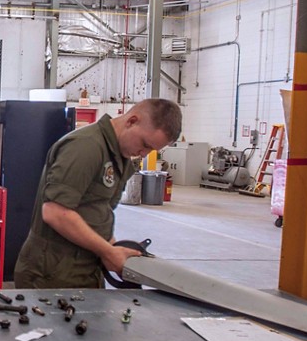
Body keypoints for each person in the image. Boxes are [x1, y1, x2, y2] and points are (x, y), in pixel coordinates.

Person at [14, 98, 182, 290]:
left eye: (152, 150)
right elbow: (55, 213)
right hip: (51, 270)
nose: (144, 154)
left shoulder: (121, 157)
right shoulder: (85, 147)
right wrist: (108, 252)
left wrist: (114, 247)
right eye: (145, 144)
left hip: (86, 266)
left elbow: (97, 211)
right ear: (131, 121)